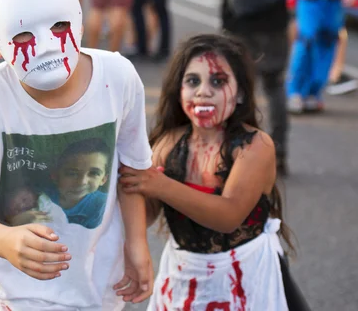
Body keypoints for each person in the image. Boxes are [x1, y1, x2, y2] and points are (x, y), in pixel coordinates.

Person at [0, 0, 154, 310]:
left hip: (104, 284)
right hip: (24, 294)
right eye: (23, 34)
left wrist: (137, 245)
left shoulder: (118, 78)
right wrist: (3, 240)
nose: (46, 45)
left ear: (79, 21)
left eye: (59, 26)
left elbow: (132, 170)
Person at [119, 34, 298, 310]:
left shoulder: (255, 146)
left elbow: (228, 216)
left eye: (218, 81)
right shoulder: (168, 143)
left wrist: (158, 184)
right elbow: (147, 213)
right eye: (193, 81)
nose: (203, 91)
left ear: (239, 93)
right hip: (182, 276)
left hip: (245, 275)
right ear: (179, 91)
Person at [205, 0, 310, 176]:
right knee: (274, 85)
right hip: (274, 14)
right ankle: (279, 154)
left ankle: (236, 153)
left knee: (233, 86)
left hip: (238, 17)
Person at [45, 137, 111, 229]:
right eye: (72, 173)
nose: (82, 182)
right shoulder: (43, 197)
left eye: (94, 173)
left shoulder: (104, 204)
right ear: (55, 175)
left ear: (103, 179)